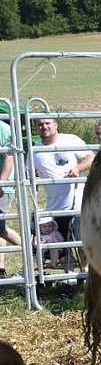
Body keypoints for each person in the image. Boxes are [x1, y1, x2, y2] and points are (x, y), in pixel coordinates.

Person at [31, 118, 95, 270]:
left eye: (47, 123)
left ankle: (85, 273)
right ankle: (68, 276)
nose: (44, 127)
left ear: (55, 124)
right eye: (40, 124)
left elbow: (90, 158)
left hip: (77, 202)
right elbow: (30, 173)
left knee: (82, 241)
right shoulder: (35, 150)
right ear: (36, 128)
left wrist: (78, 169)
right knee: (61, 245)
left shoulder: (71, 140)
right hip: (55, 206)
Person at [0, 118, 23, 279]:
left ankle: (33, 251)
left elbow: (9, 157)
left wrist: (2, 181)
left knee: (0, 227)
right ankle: (0, 267)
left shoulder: (2, 128)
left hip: (3, 186)